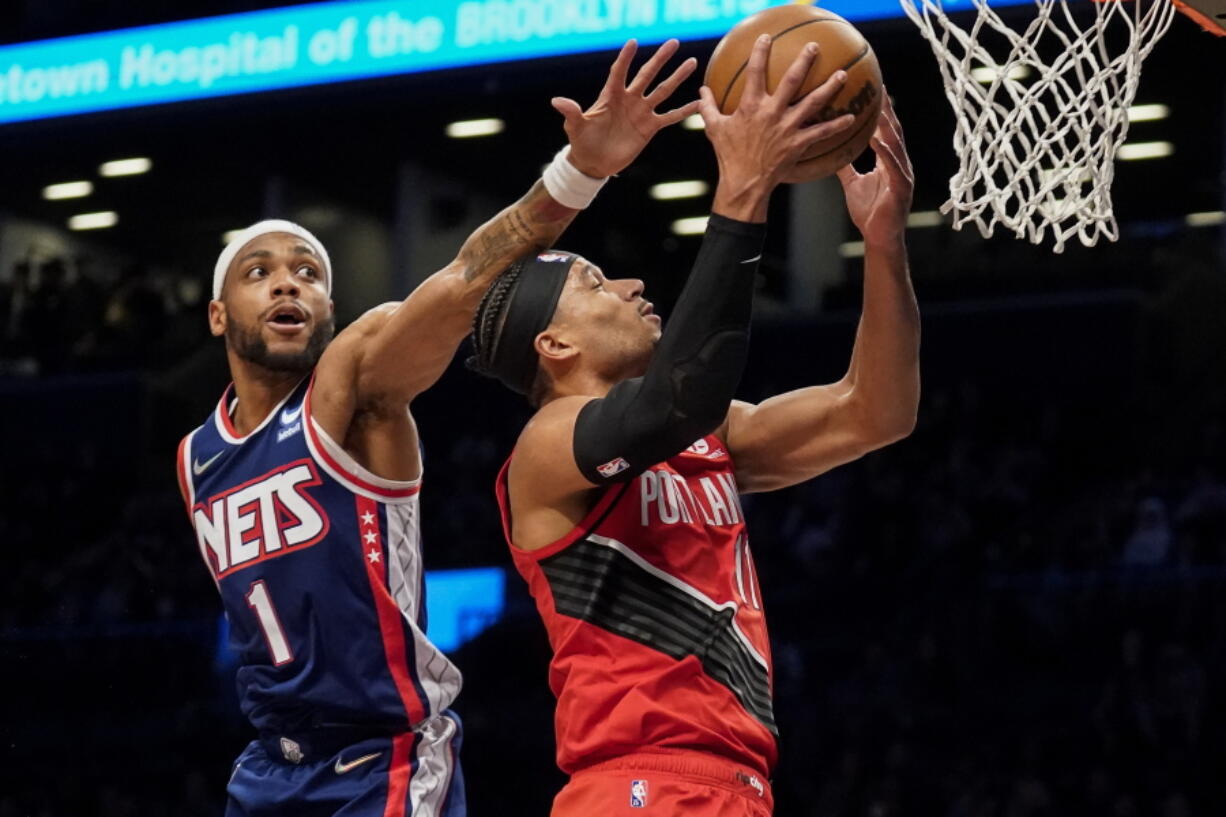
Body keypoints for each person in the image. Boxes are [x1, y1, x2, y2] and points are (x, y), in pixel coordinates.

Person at [173, 39, 699, 817]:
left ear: (328, 311)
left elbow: (464, 281)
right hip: (264, 769)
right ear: (220, 315)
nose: (289, 280)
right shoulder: (194, 455)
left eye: (310, 273)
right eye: (261, 272)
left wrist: (579, 172)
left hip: (380, 761)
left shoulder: (356, 380)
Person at [467, 36, 919, 816]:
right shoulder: (545, 448)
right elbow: (676, 399)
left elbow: (875, 411)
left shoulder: (706, 440)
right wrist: (743, 185)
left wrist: (882, 244)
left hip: (736, 784)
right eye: (596, 282)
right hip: (635, 785)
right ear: (556, 343)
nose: (633, 284)